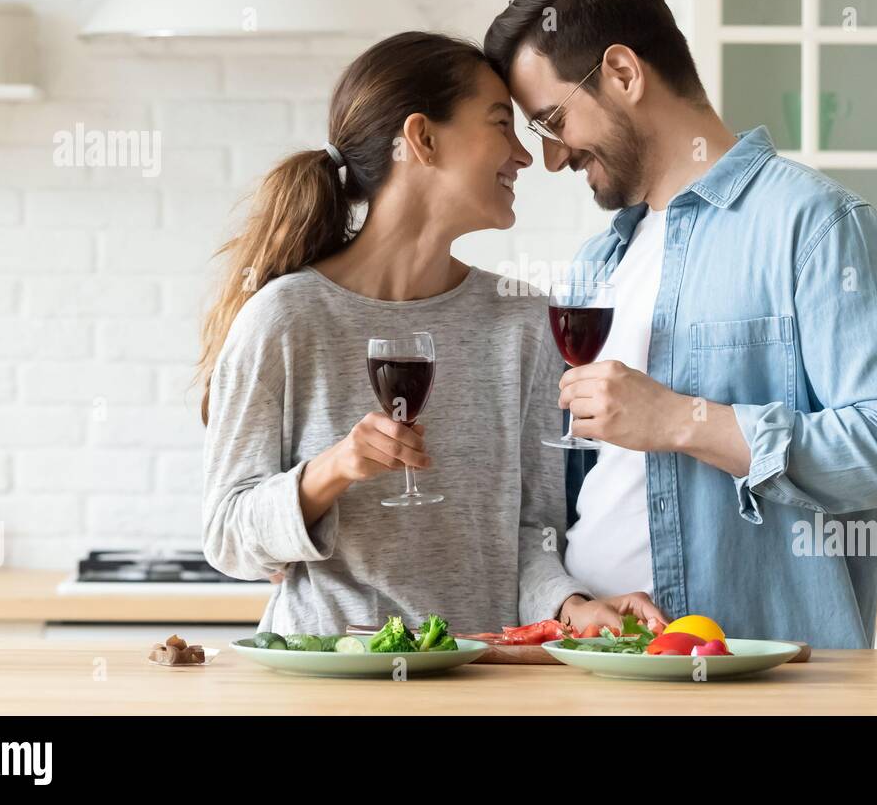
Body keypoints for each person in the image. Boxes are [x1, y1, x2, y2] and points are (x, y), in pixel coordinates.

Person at [484, 0, 877, 648]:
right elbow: (554, 502)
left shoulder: (817, 228)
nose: (552, 159)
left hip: (758, 681)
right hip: (595, 669)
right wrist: (570, 601)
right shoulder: (595, 267)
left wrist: (680, 420)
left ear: (623, 73)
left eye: (553, 121)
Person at [197, 31, 655, 636]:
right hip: (327, 681)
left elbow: (530, 534)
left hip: (482, 681)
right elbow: (228, 536)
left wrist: (572, 606)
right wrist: (336, 468)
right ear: (422, 138)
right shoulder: (286, 318)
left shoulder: (523, 323)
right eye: (500, 124)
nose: (524, 156)